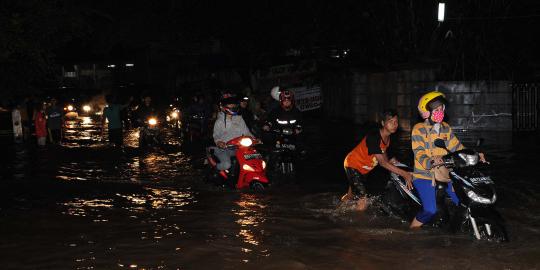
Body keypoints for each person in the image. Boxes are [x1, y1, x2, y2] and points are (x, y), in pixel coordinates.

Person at [409, 91, 487, 229]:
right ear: (426, 112)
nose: (440, 112)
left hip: (446, 173)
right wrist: (430, 161)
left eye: (442, 109)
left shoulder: (445, 128)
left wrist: (474, 154)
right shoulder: (418, 129)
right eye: (436, 110)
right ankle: (412, 229)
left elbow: (457, 147)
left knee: (464, 201)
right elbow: (419, 152)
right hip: (425, 176)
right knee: (430, 210)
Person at [342, 109, 413, 211]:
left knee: (351, 195)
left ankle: (339, 211)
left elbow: (383, 153)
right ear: (383, 123)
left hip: (363, 169)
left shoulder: (387, 138)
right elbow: (383, 163)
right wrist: (405, 174)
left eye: (396, 122)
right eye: (391, 121)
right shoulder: (374, 137)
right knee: (363, 200)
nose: (394, 124)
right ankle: (358, 225)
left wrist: (391, 161)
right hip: (353, 165)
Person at [212, 93, 254, 171]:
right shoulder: (219, 121)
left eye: (233, 104)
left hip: (240, 147)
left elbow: (246, 132)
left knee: (255, 159)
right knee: (226, 165)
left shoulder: (239, 119)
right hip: (226, 149)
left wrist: (254, 139)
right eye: (229, 104)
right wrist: (219, 142)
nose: (232, 106)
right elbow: (216, 135)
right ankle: (214, 169)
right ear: (223, 106)